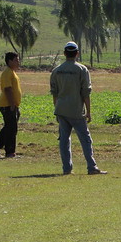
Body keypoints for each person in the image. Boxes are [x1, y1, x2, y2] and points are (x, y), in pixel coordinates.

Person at [50, 41, 107, 175]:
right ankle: (91, 167)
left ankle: (67, 169)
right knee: (85, 139)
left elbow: (54, 93)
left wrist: (57, 109)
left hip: (61, 110)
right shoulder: (82, 70)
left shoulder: (56, 71)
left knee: (64, 140)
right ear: (77, 53)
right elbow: (86, 93)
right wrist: (88, 111)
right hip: (76, 110)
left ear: (64, 54)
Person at [0, 52, 22, 159]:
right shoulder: (7, 73)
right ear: (10, 61)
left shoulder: (12, 73)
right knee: (11, 129)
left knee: (9, 128)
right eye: (16, 60)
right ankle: (10, 152)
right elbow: (7, 89)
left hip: (12, 105)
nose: (18, 62)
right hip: (7, 104)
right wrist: (12, 104)